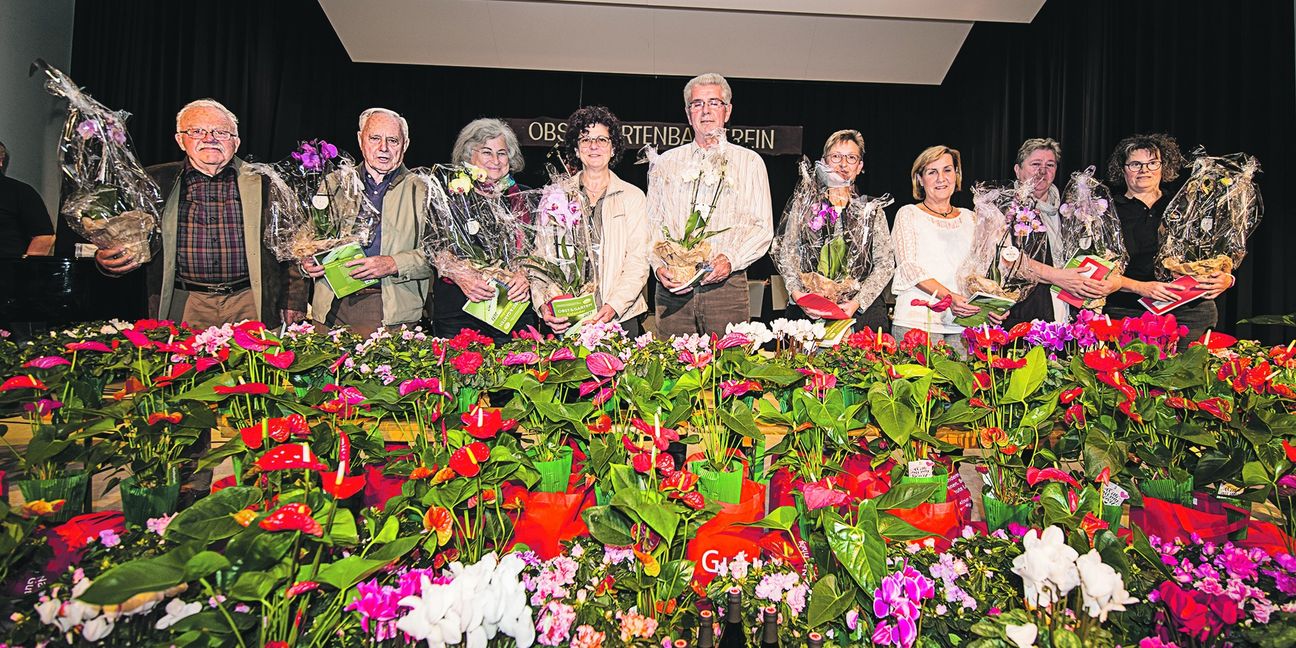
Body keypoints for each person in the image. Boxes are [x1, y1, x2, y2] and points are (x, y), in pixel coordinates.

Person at [95, 99, 306, 329]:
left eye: (221, 132)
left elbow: (293, 247)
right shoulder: (153, 182)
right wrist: (109, 258)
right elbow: (123, 240)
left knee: (252, 364)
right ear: (180, 140)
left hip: (250, 301)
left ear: (236, 142)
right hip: (182, 303)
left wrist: (294, 299)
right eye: (197, 131)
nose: (209, 138)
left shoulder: (266, 182)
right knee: (182, 364)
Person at [647, 72, 773, 336]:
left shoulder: (750, 163)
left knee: (729, 370)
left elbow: (762, 229)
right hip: (674, 289)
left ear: (727, 111)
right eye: (697, 104)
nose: (705, 111)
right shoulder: (665, 164)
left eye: (714, 103)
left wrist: (731, 259)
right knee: (673, 370)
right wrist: (658, 267)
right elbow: (651, 225)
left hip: (727, 288)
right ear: (688, 112)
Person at [300, 108, 431, 338]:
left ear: (405, 144)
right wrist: (307, 260)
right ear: (360, 139)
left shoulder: (423, 191)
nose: (383, 148)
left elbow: (438, 257)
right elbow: (309, 238)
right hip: (332, 307)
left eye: (392, 140)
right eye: (374, 138)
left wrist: (393, 263)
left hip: (389, 307)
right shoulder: (333, 183)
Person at [534, 106, 650, 337]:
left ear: (613, 146)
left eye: (601, 139)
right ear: (576, 150)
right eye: (585, 139)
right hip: (568, 317)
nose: (593, 146)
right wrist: (543, 304)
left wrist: (613, 307)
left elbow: (638, 260)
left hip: (619, 317)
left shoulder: (633, 196)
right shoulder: (556, 196)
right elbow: (541, 257)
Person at [1104, 133, 1232, 341]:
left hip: (1190, 312)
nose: (1144, 170)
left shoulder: (1187, 204)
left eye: (1152, 163)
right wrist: (1142, 287)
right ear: (1122, 169)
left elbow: (1215, 253)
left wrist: (1226, 278)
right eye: (1135, 164)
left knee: (1187, 373)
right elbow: (1096, 269)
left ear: (1164, 166)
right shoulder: (1106, 210)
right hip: (1127, 312)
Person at [431, 118, 536, 342]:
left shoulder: (526, 198)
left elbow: (539, 251)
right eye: (487, 152)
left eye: (502, 153)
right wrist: (461, 276)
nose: (496, 161)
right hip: (460, 309)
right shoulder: (449, 195)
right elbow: (432, 246)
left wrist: (525, 275)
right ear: (470, 155)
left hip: (513, 309)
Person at [780, 129, 893, 331]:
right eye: (836, 157)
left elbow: (885, 264)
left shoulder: (872, 211)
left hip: (861, 316)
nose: (843, 164)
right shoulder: (804, 206)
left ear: (860, 166)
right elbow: (787, 254)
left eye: (851, 158)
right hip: (808, 313)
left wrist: (857, 302)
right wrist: (799, 295)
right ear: (823, 163)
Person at [891, 145, 994, 354]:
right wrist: (950, 298)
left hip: (962, 324)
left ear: (956, 175)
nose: (941, 178)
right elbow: (909, 269)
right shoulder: (908, 214)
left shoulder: (971, 218)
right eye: (932, 172)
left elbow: (979, 274)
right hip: (917, 323)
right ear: (920, 179)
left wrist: (991, 306)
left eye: (947, 170)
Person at [1006, 138, 1119, 325]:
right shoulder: (1004, 208)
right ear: (1018, 170)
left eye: (1050, 165)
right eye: (1035, 164)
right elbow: (1006, 259)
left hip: (1069, 310)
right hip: (1026, 315)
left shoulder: (1070, 210)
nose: (1043, 171)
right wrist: (1058, 277)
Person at [0, 140, 55, 258]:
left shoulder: (19, 191)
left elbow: (44, 236)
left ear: (0, 161)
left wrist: (25, 269)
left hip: (8, 272)